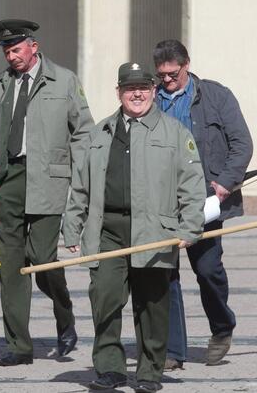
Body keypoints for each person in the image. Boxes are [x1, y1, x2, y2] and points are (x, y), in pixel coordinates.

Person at [62, 62, 205, 393]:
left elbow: (193, 185)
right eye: (130, 89)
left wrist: (190, 226)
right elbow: (80, 186)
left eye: (143, 88)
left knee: (152, 306)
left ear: (153, 91)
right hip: (108, 231)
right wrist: (73, 227)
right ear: (119, 93)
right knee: (106, 300)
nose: (137, 94)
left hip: (155, 232)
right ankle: (110, 368)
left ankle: (149, 372)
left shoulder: (174, 133)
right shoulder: (100, 134)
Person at [0, 19, 94, 366]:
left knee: (43, 258)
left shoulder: (63, 80)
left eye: (16, 49)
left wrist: (82, 180)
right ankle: (19, 345)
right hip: (7, 179)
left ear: (34, 46)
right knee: (11, 266)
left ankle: (65, 315)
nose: (11, 56)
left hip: (48, 179)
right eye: (6, 50)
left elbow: (84, 131)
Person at [152, 39, 253, 369]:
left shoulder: (216, 96)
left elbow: (241, 144)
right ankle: (173, 351)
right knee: (166, 274)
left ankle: (222, 328)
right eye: (161, 75)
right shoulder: (150, 99)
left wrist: (225, 183)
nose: (167, 81)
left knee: (208, 270)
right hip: (163, 201)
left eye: (172, 74)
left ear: (187, 65)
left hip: (206, 201)